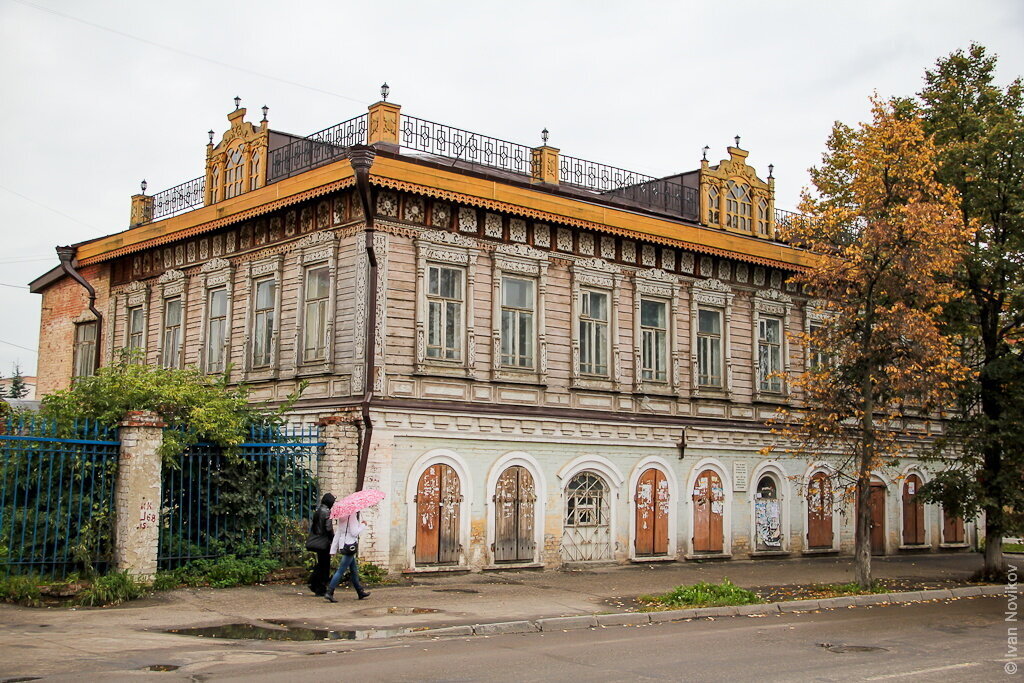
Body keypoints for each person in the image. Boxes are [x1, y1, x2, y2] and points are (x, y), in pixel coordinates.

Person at [325, 512, 370, 602]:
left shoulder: (342, 516)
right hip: (350, 546)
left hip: (344, 545)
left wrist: (333, 549)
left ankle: (359, 591)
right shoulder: (352, 516)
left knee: (353, 570)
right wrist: (363, 525)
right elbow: (354, 532)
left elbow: (338, 533)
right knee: (341, 570)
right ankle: (329, 592)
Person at [305, 492, 335, 597]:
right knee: (324, 565)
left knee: (320, 564)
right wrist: (333, 539)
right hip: (324, 542)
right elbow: (328, 528)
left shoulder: (318, 511)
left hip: (318, 541)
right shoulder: (327, 512)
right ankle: (319, 587)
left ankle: (314, 583)